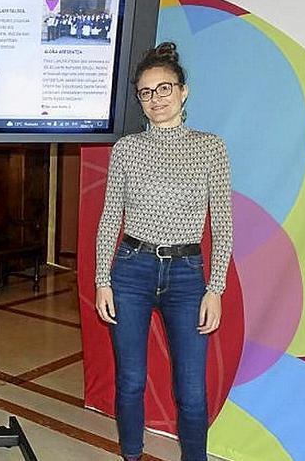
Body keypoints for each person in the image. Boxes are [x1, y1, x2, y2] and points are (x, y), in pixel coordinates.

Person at [94, 42, 232, 461]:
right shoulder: (126, 150)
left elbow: (222, 221)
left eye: (164, 88)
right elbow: (109, 220)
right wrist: (103, 279)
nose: (155, 99)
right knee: (131, 381)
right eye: (146, 92)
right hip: (132, 271)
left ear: (184, 91)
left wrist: (216, 288)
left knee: (191, 389)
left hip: (189, 277)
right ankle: (131, 455)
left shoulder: (211, 147)